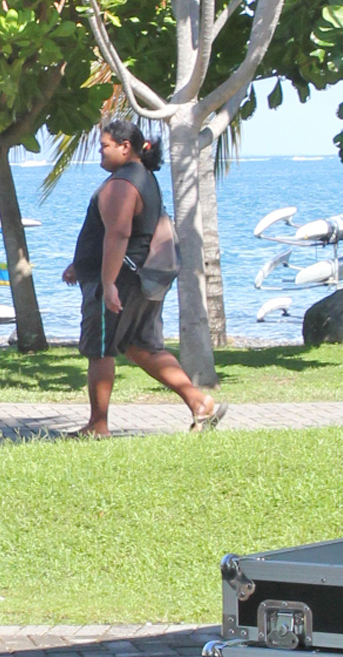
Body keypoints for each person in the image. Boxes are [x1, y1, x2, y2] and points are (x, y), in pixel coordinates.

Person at [61, 116, 223, 436]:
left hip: (119, 281)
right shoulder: (144, 176)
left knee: (101, 348)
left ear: (125, 147)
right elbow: (126, 233)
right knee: (141, 347)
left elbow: (119, 234)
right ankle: (200, 403)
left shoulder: (123, 182)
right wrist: (81, 264)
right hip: (137, 278)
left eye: (104, 147)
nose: (100, 153)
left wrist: (107, 284)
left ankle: (97, 425)